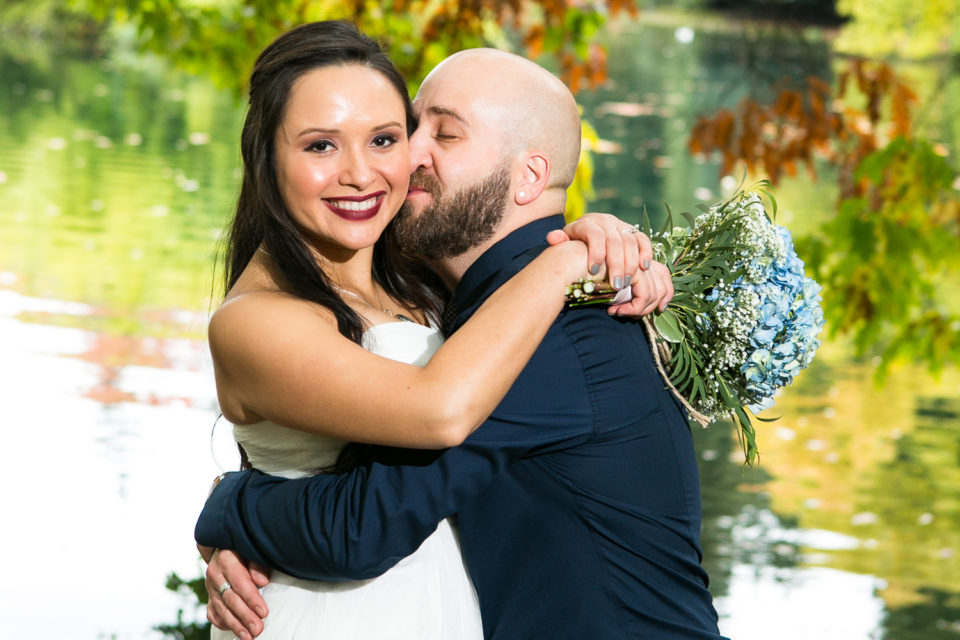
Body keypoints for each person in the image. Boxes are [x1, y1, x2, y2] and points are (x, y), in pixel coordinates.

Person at [198, 38, 727, 640]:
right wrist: (573, 255)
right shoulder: (490, 299)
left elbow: (359, 527)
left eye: (438, 135)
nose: (405, 158)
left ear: (532, 175)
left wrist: (229, 509)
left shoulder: (550, 327)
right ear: (266, 157)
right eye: (410, 129)